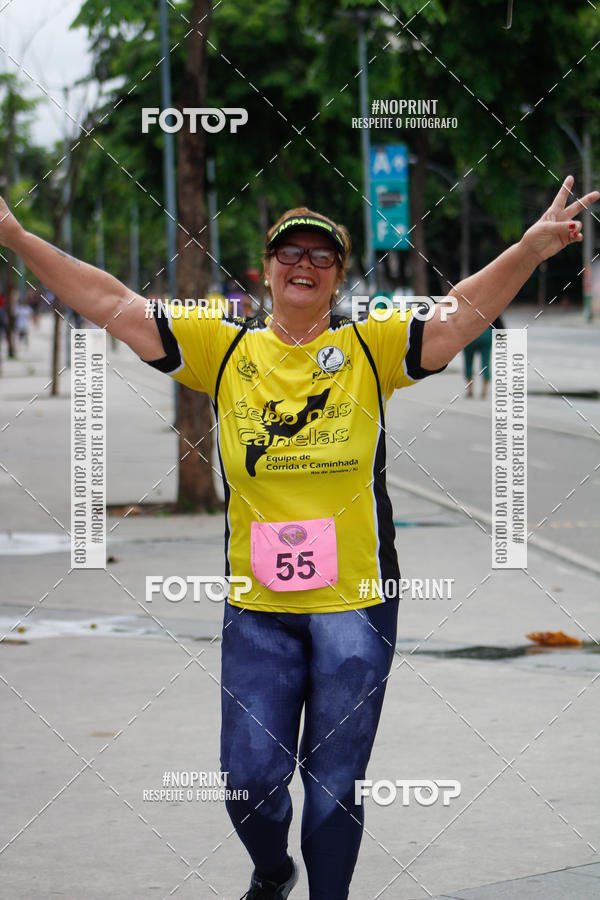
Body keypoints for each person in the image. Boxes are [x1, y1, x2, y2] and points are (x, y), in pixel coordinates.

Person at [0, 175, 596, 900]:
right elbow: (109, 302)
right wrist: (18, 238)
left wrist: (530, 250)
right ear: (268, 266)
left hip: (356, 599)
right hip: (259, 603)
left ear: (340, 275)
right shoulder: (223, 349)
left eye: (321, 255)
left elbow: (461, 312)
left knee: (335, 780)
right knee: (249, 780)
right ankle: (272, 871)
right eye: (291, 252)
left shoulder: (369, 347)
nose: (304, 265)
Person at [463, 314, 505, 398]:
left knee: (468, 363)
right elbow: (499, 323)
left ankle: (470, 390)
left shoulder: (467, 305)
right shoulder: (490, 305)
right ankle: (484, 391)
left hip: (469, 335)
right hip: (486, 333)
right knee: (486, 363)